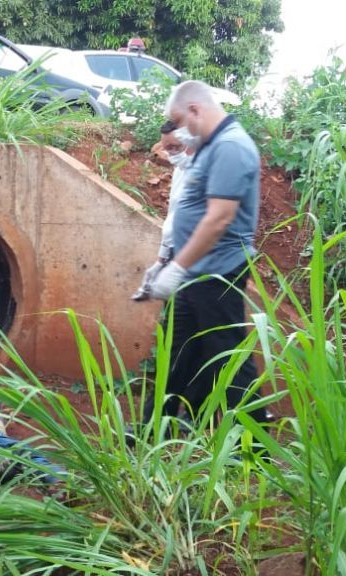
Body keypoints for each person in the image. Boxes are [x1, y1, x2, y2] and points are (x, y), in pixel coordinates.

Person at [140, 80, 269, 423]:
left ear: (195, 110)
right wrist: (168, 263)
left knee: (228, 359)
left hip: (217, 273)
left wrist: (177, 267)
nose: (177, 134)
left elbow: (219, 218)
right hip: (196, 271)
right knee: (177, 352)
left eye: (179, 122)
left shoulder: (231, 147)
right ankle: (152, 428)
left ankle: (254, 449)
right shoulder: (212, 147)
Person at [132, 120, 194, 300]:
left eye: (176, 146)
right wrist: (161, 260)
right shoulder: (180, 170)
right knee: (172, 318)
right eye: (167, 148)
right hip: (176, 250)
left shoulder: (200, 173)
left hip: (192, 254)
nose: (172, 153)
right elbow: (173, 218)